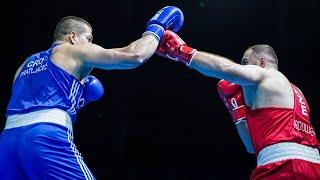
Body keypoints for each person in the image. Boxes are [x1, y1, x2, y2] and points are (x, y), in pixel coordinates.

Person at [0, 6, 184, 179]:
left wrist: (78, 98)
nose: (91, 43)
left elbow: (33, 104)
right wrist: (156, 29)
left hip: (8, 142)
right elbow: (135, 55)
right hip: (45, 136)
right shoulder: (73, 50)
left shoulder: (26, 64)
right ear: (73, 37)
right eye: (89, 38)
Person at [156, 30, 320, 179]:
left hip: (283, 168)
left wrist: (181, 51)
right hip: (311, 167)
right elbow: (251, 147)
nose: (243, 68)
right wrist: (238, 111)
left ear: (261, 62)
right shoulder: (296, 92)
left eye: (245, 62)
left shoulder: (266, 74)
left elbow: (225, 68)